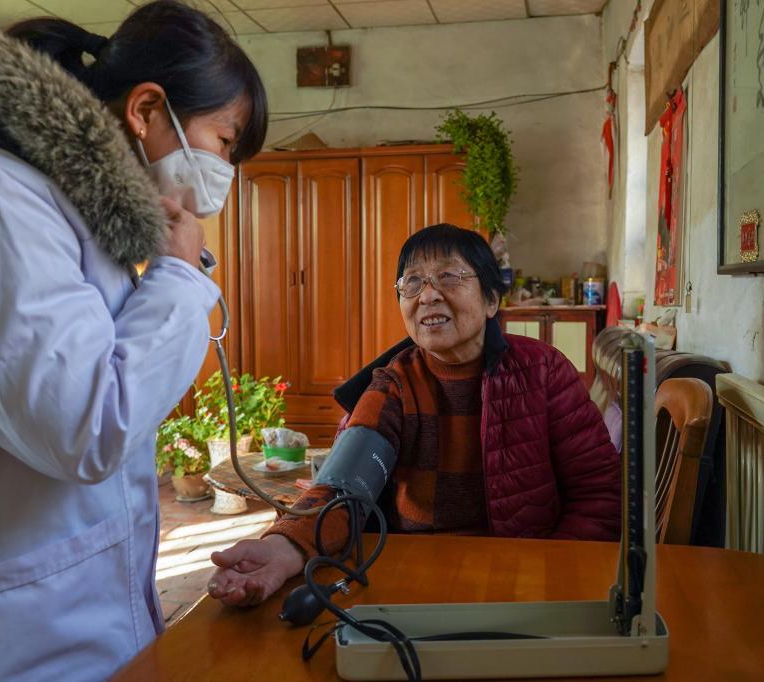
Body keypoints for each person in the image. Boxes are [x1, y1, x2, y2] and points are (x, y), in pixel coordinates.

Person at [0, 3, 266, 679]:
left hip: (50, 621)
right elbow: (88, 426)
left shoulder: (57, 209)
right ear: (146, 110)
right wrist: (181, 278)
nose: (226, 168)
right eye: (225, 140)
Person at [208, 224, 621, 608]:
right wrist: (284, 547)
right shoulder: (393, 385)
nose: (428, 295)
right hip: (417, 578)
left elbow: (598, 493)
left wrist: (549, 574)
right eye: (412, 282)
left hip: (525, 579)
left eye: (449, 277)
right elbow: (342, 488)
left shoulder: (543, 370)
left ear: (492, 300)